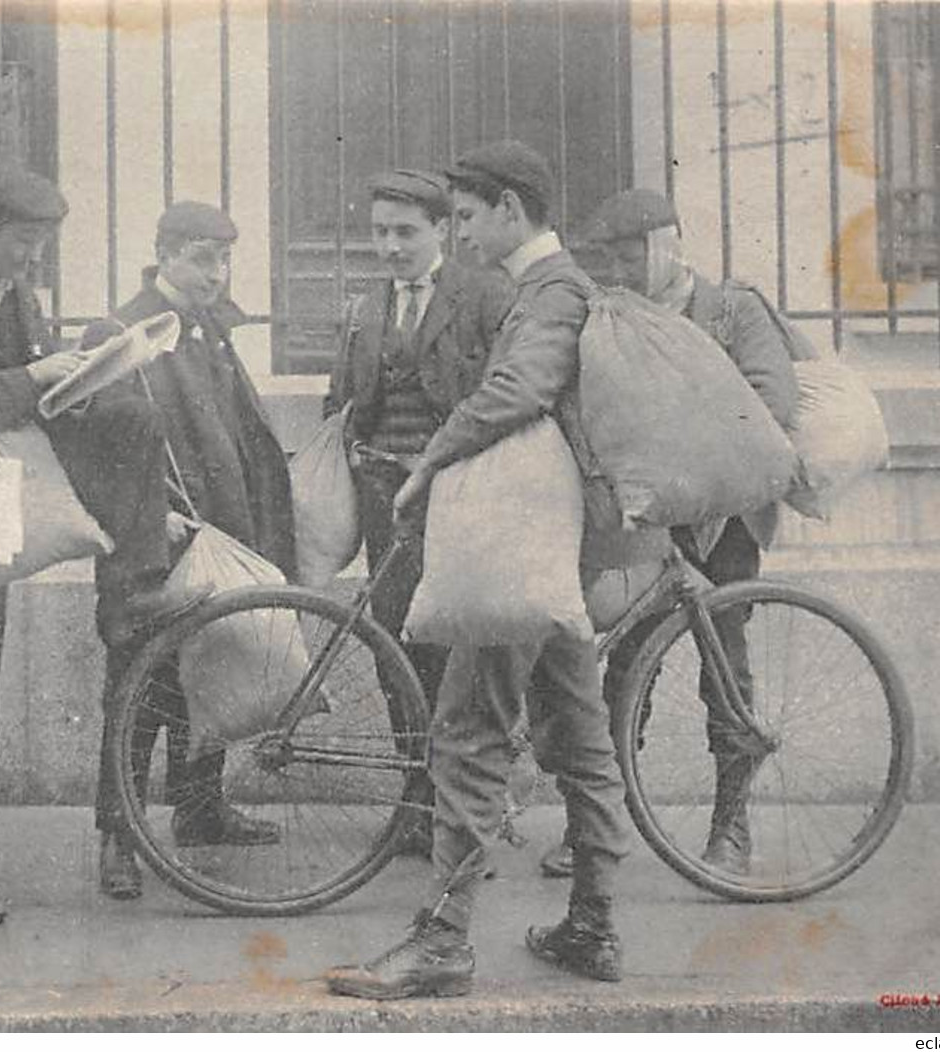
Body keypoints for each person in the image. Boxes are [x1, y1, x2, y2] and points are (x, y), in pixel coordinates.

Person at [326, 141, 632, 998]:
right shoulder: (554, 286)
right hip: (547, 540)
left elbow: (517, 391)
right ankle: (593, 926)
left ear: (508, 209)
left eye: (463, 218)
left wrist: (429, 461)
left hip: (521, 537)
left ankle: (442, 944)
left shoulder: (548, 290)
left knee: (465, 732)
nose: (456, 236)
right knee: (577, 732)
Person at [0, 167, 207, 928]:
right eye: (25, 240)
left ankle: (134, 578)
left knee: (128, 416)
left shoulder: (15, 293)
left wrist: (82, 383)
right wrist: (36, 376)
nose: (34, 257)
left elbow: (37, 405)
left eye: (42, 242)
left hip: (10, 486)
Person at [536, 188, 800, 880]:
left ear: (669, 242)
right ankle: (594, 826)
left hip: (721, 529)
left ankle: (730, 828)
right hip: (635, 524)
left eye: (631, 253)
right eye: (610, 257)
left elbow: (771, 404)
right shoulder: (611, 319)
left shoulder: (730, 310)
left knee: (726, 674)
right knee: (620, 671)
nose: (619, 269)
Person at [88, 202, 298, 901]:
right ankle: (118, 835)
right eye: (203, 257)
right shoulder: (122, 332)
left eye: (224, 258)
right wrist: (158, 519)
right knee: (139, 689)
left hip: (218, 531)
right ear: (164, 253)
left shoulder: (211, 329)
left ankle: (199, 810)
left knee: (208, 675)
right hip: (155, 540)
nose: (217, 272)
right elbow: (105, 453)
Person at [323, 169, 511, 856]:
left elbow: (504, 399)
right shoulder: (362, 310)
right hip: (385, 509)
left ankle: (462, 811)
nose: (391, 247)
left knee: (460, 656)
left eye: (405, 232)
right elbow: (338, 404)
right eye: (379, 233)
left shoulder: (485, 296)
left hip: (460, 501)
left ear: (440, 230)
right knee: (395, 651)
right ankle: (415, 799)